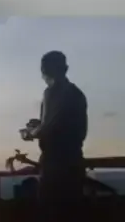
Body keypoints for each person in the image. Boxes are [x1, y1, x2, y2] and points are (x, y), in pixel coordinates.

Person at [23, 51, 88, 206]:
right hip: (75, 161)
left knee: (52, 213)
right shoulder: (77, 93)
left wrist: (30, 133)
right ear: (65, 68)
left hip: (55, 165)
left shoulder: (51, 92)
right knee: (72, 213)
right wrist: (41, 124)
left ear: (44, 71)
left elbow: (48, 129)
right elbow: (62, 124)